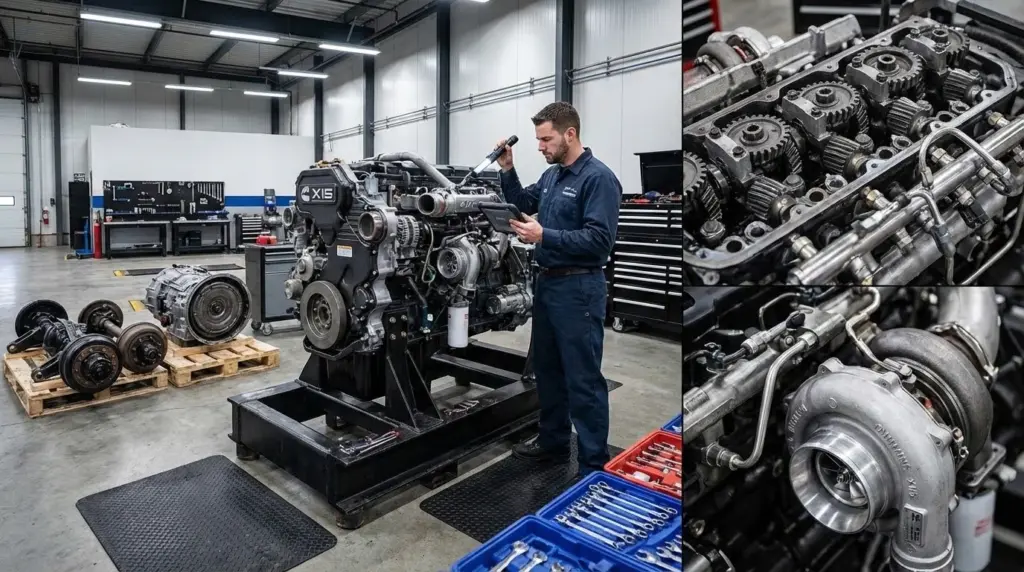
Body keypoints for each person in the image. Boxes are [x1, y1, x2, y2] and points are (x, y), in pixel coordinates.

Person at [496, 101, 622, 478]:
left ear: (570, 134)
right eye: (538, 140)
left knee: (582, 379)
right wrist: (508, 171)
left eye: (546, 139)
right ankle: (552, 443)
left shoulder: (598, 179)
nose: (541, 146)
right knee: (547, 372)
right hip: (547, 285)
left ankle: (592, 463)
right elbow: (522, 203)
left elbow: (601, 241)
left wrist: (544, 234)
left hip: (579, 288)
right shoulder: (553, 177)